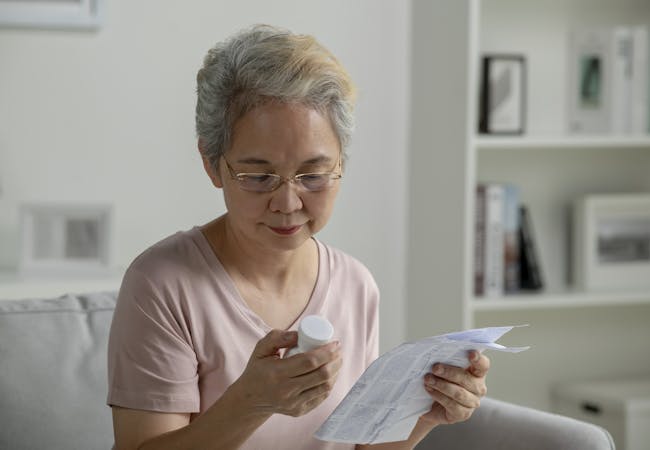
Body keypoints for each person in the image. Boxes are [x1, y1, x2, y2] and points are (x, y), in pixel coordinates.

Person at [107, 24, 490, 450]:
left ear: (341, 162)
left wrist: (424, 417)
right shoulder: (163, 284)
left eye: (313, 175)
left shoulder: (355, 284)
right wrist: (250, 403)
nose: (288, 203)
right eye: (257, 176)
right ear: (212, 164)